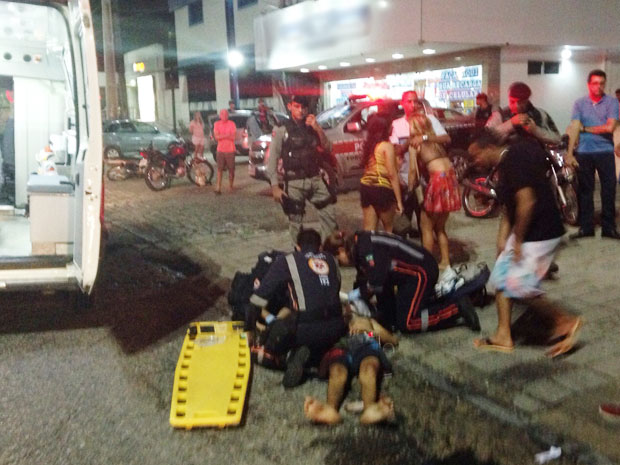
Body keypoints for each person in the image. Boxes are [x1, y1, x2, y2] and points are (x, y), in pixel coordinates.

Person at [467, 129, 583, 357]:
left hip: (541, 231)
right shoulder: (503, 166)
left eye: (476, 155)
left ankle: (565, 322)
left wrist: (517, 241)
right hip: (528, 230)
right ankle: (503, 335)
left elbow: (526, 202)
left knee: (518, 285)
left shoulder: (513, 160)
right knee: (501, 276)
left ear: (488, 147)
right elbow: (510, 207)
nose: (474, 161)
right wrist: (502, 239)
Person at [323, 230, 480, 334]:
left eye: (338, 261)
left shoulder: (365, 249)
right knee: (395, 317)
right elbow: (368, 278)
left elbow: (377, 281)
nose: (342, 265)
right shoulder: (359, 244)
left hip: (420, 272)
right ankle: (397, 315)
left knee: (408, 323)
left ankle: (456, 308)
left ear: (341, 251)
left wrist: (356, 295)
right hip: (410, 275)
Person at [249, 228, 346, 388]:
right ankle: (315, 354)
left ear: (297, 247)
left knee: (265, 344)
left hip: (305, 330)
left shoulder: (288, 260)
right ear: (320, 247)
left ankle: (288, 356)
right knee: (301, 315)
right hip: (336, 327)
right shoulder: (332, 260)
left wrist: (251, 330)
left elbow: (257, 300)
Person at [304, 307, 398, 425]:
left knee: (369, 369)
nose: (345, 308)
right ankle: (330, 410)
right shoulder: (334, 321)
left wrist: (368, 331)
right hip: (341, 346)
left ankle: (370, 409)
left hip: (365, 344)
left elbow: (392, 340)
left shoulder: (366, 320)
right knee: (337, 371)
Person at [268, 95, 337, 243]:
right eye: (297, 106)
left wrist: (317, 128)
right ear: (290, 107)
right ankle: (299, 255)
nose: (300, 110)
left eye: (303, 107)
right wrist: (274, 186)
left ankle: (328, 252)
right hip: (294, 182)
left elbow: (328, 147)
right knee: (295, 221)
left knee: (329, 215)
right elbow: (272, 158)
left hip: (315, 179)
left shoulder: (312, 127)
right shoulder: (282, 129)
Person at [564, 69, 620, 240]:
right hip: (584, 152)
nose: (598, 87)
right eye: (595, 83)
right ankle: (586, 227)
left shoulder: (612, 103)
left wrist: (585, 128)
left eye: (602, 83)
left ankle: (608, 227)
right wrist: (570, 153)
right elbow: (574, 127)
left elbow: (609, 127)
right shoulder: (580, 103)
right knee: (585, 191)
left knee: (609, 190)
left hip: (605, 151)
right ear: (589, 85)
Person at [390, 90, 450, 238]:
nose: (413, 104)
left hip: (428, 182)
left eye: (416, 101)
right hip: (406, 180)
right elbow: (394, 150)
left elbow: (445, 138)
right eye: (409, 101)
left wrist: (424, 137)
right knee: (402, 225)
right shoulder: (397, 124)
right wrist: (408, 143)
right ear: (402, 104)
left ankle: (426, 255)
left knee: (427, 225)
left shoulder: (429, 119)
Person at [409, 105, 461, 271]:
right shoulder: (436, 143)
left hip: (438, 182)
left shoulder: (415, 144)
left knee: (426, 226)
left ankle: (426, 265)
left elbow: (412, 171)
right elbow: (445, 139)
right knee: (440, 227)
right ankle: (445, 261)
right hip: (450, 180)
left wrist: (409, 189)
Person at [359, 113, 403, 232]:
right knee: (389, 230)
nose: (392, 128)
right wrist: (399, 201)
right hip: (382, 189)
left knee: (369, 230)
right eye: (390, 125)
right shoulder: (386, 146)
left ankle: (368, 251)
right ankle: (387, 251)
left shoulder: (369, 146)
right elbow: (392, 174)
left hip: (366, 188)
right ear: (384, 128)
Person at [486, 81, 560, 145]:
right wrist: (511, 123)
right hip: (508, 159)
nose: (516, 106)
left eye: (521, 102)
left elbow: (557, 139)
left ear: (527, 100)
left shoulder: (540, 114)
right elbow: (486, 138)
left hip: (535, 158)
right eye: (512, 101)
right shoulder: (499, 115)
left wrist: (536, 130)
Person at [212, 109, 237, 194]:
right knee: (219, 169)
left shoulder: (232, 124)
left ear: (228, 115)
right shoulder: (216, 124)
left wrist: (222, 136)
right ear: (220, 115)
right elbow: (216, 137)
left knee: (231, 169)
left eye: (226, 114)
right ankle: (218, 186)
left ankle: (231, 185)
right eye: (222, 114)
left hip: (230, 150)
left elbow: (233, 137)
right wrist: (227, 135)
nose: (224, 115)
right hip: (220, 150)